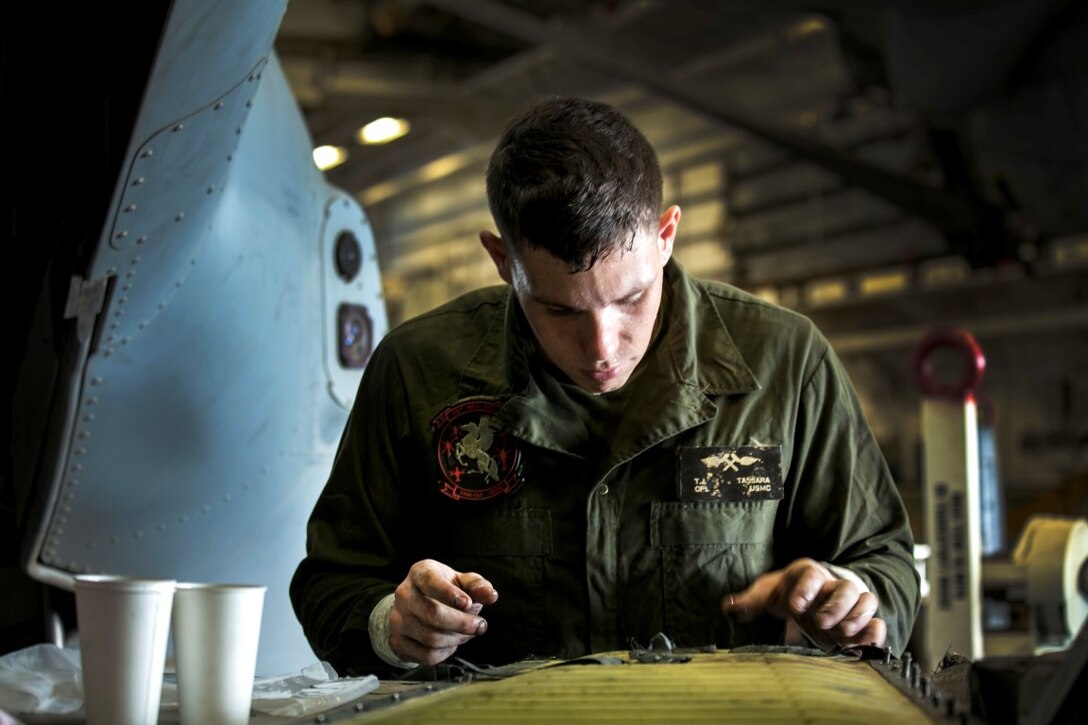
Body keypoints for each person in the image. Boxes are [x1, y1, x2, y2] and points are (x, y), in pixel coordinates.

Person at [290, 96, 920, 677]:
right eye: (560, 310)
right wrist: (388, 624)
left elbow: (884, 560)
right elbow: (332, 580)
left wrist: (850, 597)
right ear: (501, 260)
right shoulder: (418, 371)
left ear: (667, 236)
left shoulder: (786, 364)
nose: (602, 347)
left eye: (631, 297)